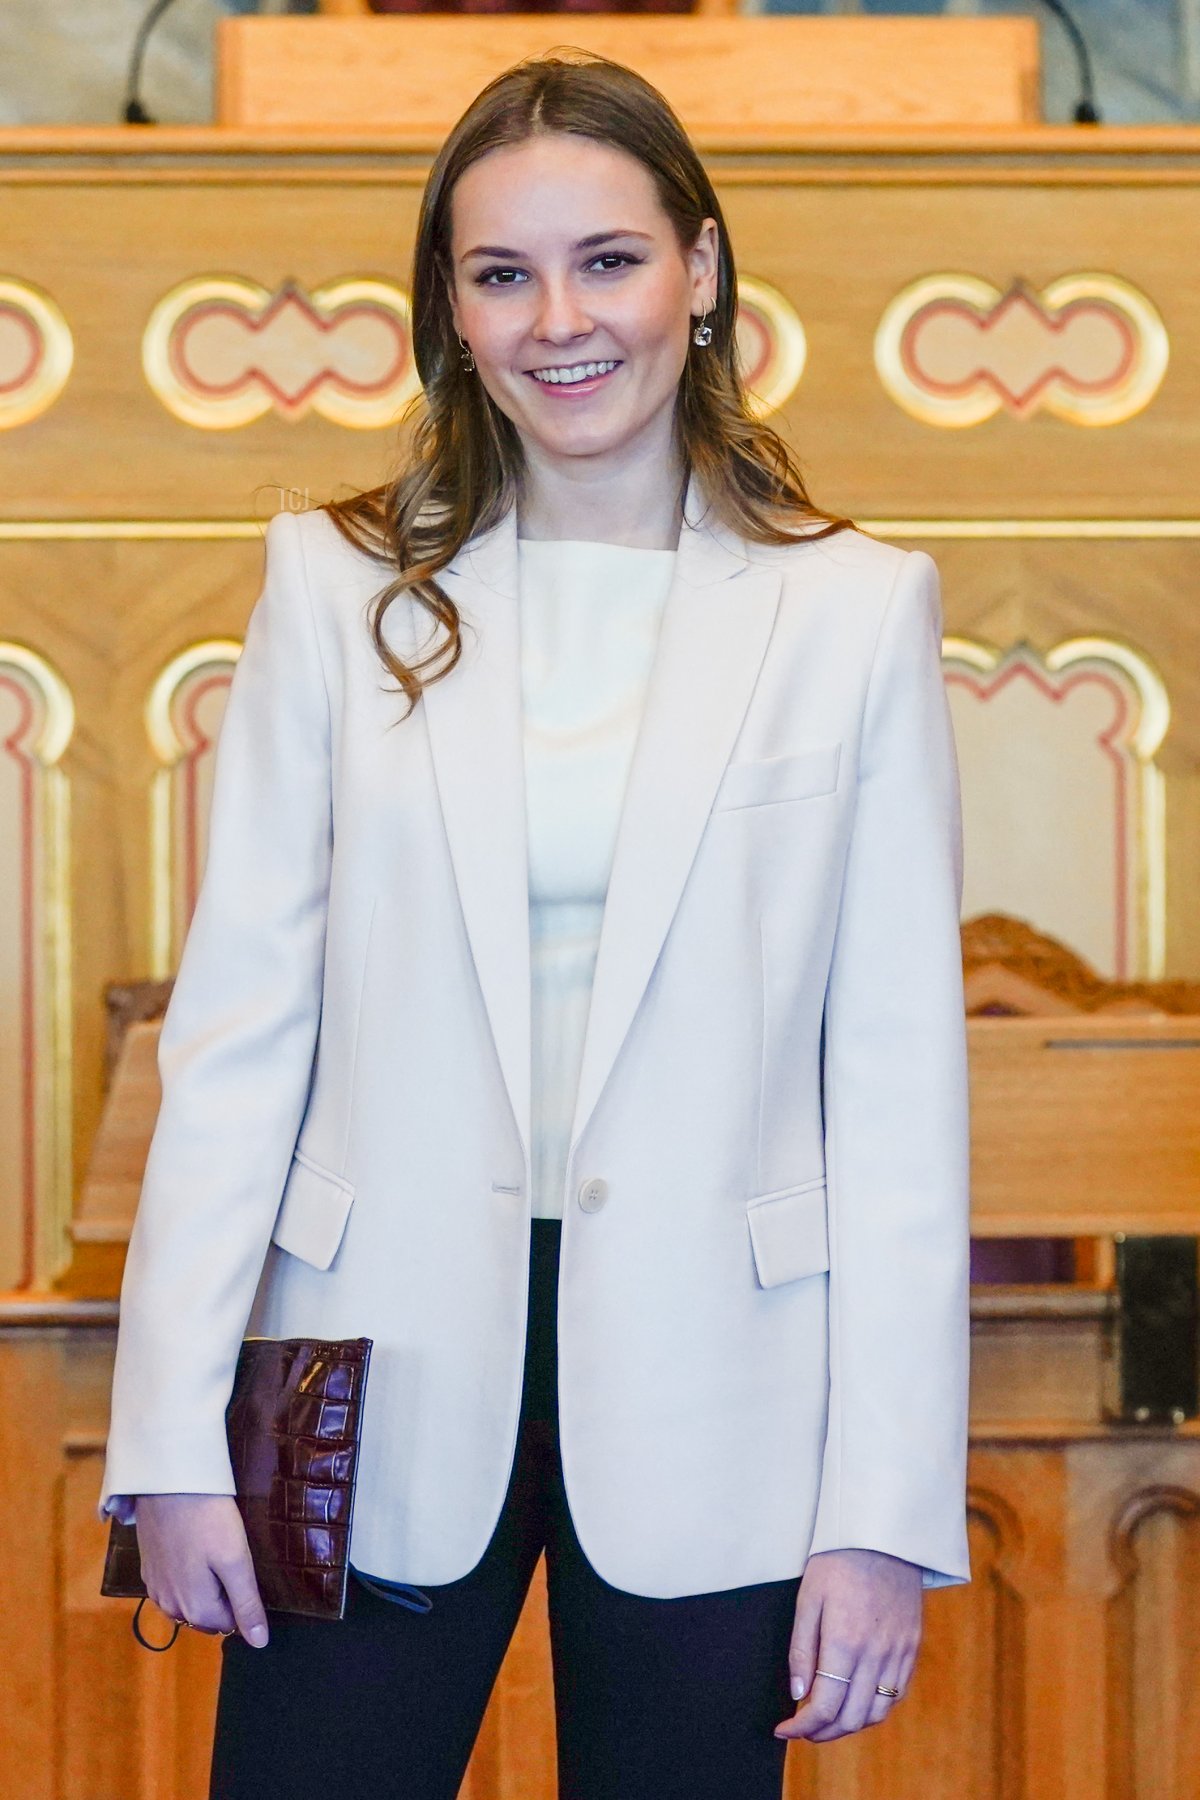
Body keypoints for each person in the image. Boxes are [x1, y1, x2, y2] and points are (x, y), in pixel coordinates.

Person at [99, 49, 971, 1800]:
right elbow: (239, 1032)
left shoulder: (853, 611)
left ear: (701, 271)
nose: (560, 320)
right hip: (367, 1375)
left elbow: (892, 1093)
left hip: (723, 1399)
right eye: (502, 274)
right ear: (450, 310)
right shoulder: (331, 589)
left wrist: (884, 1513)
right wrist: (167, 1434)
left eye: (609, 260)